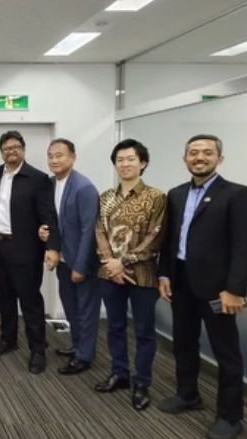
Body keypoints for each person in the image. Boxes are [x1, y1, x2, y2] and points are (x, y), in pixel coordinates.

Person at [157, 134, 247, 439]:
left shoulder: (236, 195)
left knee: (226, 352)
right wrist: (164, 275)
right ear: (185, 158)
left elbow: (244, 247)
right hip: (181, 281)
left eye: (207, 153)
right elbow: (169, 240)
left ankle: (230, 416)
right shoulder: (175, 194)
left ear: (220, 159)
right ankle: (188, 394)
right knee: (184, 342)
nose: (199, 157)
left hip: (218, 290)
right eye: (193, 153)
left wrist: (235, 289)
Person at [94, 139, 166, 411]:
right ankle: (120, 373)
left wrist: (122, 261)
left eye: (130, 159)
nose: (125, 164)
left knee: (144, 331)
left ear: (143, 163)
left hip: (143, 274)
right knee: (114, 327)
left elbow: (155, 236)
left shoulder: (156, 197)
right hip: (109, 274)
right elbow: (99, 231)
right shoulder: (105, 197)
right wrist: (111, 264)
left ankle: (142, 383)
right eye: (120, 159)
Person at [0, 130, 60, 375]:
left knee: (29, 301)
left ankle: (38, 350)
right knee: (4, 296)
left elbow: (48, 216)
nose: (11, 151)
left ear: (23, 149)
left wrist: (50, 246)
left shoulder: (37, 178)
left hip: (25, 249)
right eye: (7, 148)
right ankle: (8, 340)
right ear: (1, 152)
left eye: (16, 147)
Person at [39, 138, 101, 375]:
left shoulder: (84, 187)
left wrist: (81, 266)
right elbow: (53, 220)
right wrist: (44, 232)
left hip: (81, 261)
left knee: (86, 310)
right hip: (63, 259)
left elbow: (89, 231)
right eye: (51, 155)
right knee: (71, 307)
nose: (54, 160)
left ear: (73, 157)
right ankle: (77, 346)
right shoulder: (52, 183)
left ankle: (85, 356)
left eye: (60, 155)